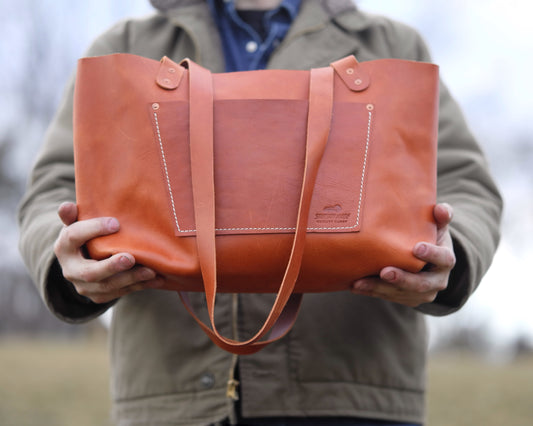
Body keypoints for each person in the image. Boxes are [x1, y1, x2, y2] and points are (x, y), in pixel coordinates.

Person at [17, 0, 502, 425]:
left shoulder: (391, 44)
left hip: (355, 394)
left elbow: (466, 184)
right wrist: (66, 263)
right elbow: (53, 189)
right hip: (171, 401)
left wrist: (450, 253)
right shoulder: (126, 45)